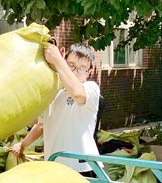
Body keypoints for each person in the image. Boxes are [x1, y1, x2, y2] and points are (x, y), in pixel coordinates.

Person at [11, 43, 101, 176]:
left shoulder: (90, 89)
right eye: (71, 65)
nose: (75, 72)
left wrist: (58, 61)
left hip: (82, 167)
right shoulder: (55, 94)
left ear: (89, 72)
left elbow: (78, 94)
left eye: (82, 69)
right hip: (54, 165)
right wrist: (22, 145)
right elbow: (41, 124)